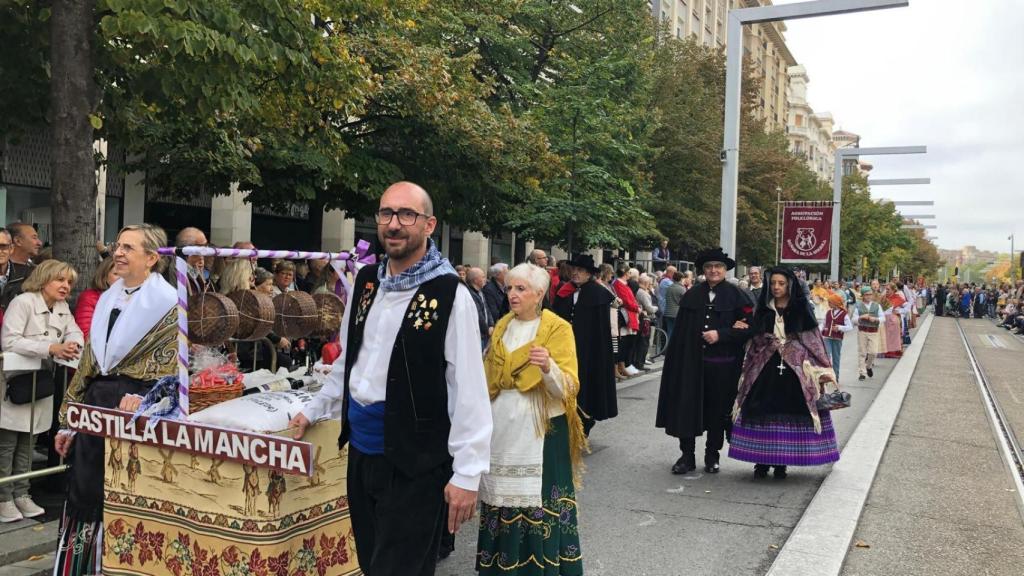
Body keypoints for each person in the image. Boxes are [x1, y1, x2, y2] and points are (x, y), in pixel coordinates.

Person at [287, 182, 492, 576]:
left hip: (416, 462)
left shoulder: (450, 294)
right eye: (386, 214)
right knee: (371, 562)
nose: (394, 224)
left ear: (429, 225)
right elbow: (352, 361)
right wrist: (314, 410)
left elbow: (467, 389)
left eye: (406, 215)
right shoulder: (367, 282)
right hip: (363, 455)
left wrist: (468, 472)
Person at [53, 224, 178, 575]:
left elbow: (175, 371)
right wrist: (69, 422)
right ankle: (80, 567)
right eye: (117, 246)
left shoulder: (169, 303)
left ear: (151, 259)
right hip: (96, 408)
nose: (118, 253)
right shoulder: (108, 296)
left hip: (137, 417)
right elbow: (89, 365)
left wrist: (148, 399)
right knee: (84, 491)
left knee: (128, 499)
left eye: (128, 248)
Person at [477, 263, 586, 575]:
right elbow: (489, 379)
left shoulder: (558, 329)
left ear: (539, 294)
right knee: (501, 498)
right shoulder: (501, 327)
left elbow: (570, 386)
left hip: (541, 430)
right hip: (503, 429)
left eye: (521, 289)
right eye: (510, 288)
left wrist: (548, 367)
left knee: (538, 502)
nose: (512, 294)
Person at [728, 266, 840, 479]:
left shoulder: (800, 309)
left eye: (781, 283)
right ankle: (761, 461)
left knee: (791, 410)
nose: (777, 287)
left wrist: (823, 369)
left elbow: (813, 341)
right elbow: (755, 337)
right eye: (773, 283)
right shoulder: (762, 308)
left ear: (789, 285)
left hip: (793, 370)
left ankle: (781, 463)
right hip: (765, 368)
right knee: (762, 411)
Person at [656, 248, 754, 475]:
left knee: (718, 410)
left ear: (725, 270)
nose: (713, 270)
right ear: (703, 270)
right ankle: (687, 455)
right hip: (692, 363)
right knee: (686, 407)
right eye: (709, 267)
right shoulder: (692, 294)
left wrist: (722, 334)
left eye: (718, 267)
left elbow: (750, 327)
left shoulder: (738, 296)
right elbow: (681, 331)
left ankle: (712, 455)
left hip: (724, 365)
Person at [0, 260, 84, 522]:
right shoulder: (23, 302)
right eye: (60, 280)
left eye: (69, 282)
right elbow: (10, 339)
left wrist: (71, 346)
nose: (65, 286)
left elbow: (75, 333)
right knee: (8, 442)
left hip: (41, 383)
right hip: (16, 381)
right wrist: (51, 348)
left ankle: (22, 493)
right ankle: (4, 497)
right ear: (44, 279)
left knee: (29, 440)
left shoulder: (61, 308)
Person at [553, 254, 617, 436]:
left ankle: (584, 424)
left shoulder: (598, 294)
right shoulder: (564, 290)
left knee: (586, 386)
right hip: (565, 348)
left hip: (588, 350)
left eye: (580, 271)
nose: (575, 273)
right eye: (574, 270)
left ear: (589, 274)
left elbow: (600, 328)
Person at [74, 257, 117, 341]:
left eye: (125, 274)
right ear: (104, 277)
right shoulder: (90, 297)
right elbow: (85, 333)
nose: (121, 278)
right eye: (116, 274)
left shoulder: (130, 296)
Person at [0, 223, 42, 309]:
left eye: (3, 246)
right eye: (34, 237)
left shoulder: (36, 274)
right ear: (18, 241)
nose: (40, 243)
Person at [611, 266, 641, 377]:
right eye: (628, 273)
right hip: (626, 316)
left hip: (631, 315)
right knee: (623, 344)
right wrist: (637, 308)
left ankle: (622, 365)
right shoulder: (619, 284)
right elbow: (627, 301)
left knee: (628, 343)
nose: (629, 275)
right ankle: (620, 366)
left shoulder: (624, 284)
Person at [852, 287, 883, 381]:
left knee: (873, 352)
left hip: (873, 331)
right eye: (867, 294)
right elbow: (853, 319)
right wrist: (861, 317)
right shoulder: (858, 306)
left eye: (870, 294)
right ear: (863, 296)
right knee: (862, 352)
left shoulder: (877, 305)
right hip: (862, 331)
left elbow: (883, 318)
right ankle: (862, 373)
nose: (869, 296)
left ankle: (868, 366)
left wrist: (876, 319)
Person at [820, 292, 853, 381]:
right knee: (827, 355)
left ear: (835, 303)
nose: (828, 304)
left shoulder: (843, 314)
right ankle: (827, 376)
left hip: (837, 339)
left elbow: (850, 327)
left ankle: (835, 377)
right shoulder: (828, 312)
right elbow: (823, 324)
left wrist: (839, 328)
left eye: (830, 302)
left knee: (836, 358)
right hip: (827, 337)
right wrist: (819, 332)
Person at [175, 226, 209, 295]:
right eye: (203, 246)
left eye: (207, 245)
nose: (206, 249)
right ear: (189, 248)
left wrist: (201, 277)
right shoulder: (176, 269)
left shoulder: (198, 269)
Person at [466, 266, 493, 351]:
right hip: (479, 335)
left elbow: (487, 309)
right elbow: (478, 315)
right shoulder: (470, 294)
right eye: (483, 277)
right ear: (475, 280)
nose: (486, 279)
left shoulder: (481, 291)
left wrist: (491, 324)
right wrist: (487, 330)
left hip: (485, 334)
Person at [663, 271, 685, 340]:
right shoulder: (682, 289)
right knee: (678, 332)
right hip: (677, 313)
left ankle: (668, 348)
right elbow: (685, 301)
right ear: (681, 279)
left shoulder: (669, 288)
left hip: (667, 312)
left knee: (670, 332)